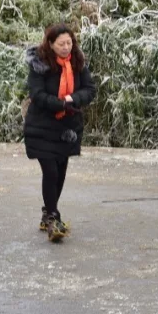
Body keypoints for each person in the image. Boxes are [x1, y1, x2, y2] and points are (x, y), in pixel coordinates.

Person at [24, 24, 97, 242]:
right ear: (50, 44)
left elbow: (90, 89)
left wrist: (73, 100)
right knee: (51, 171)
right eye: (61, 44)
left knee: (61, 171)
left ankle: (47, 213)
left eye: (69, 43)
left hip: (67, 127)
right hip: (41, 126)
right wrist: (59, 104)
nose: (66, 47)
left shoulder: (77, 62)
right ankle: (54, 218)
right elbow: (36, 94)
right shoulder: (39, 64)